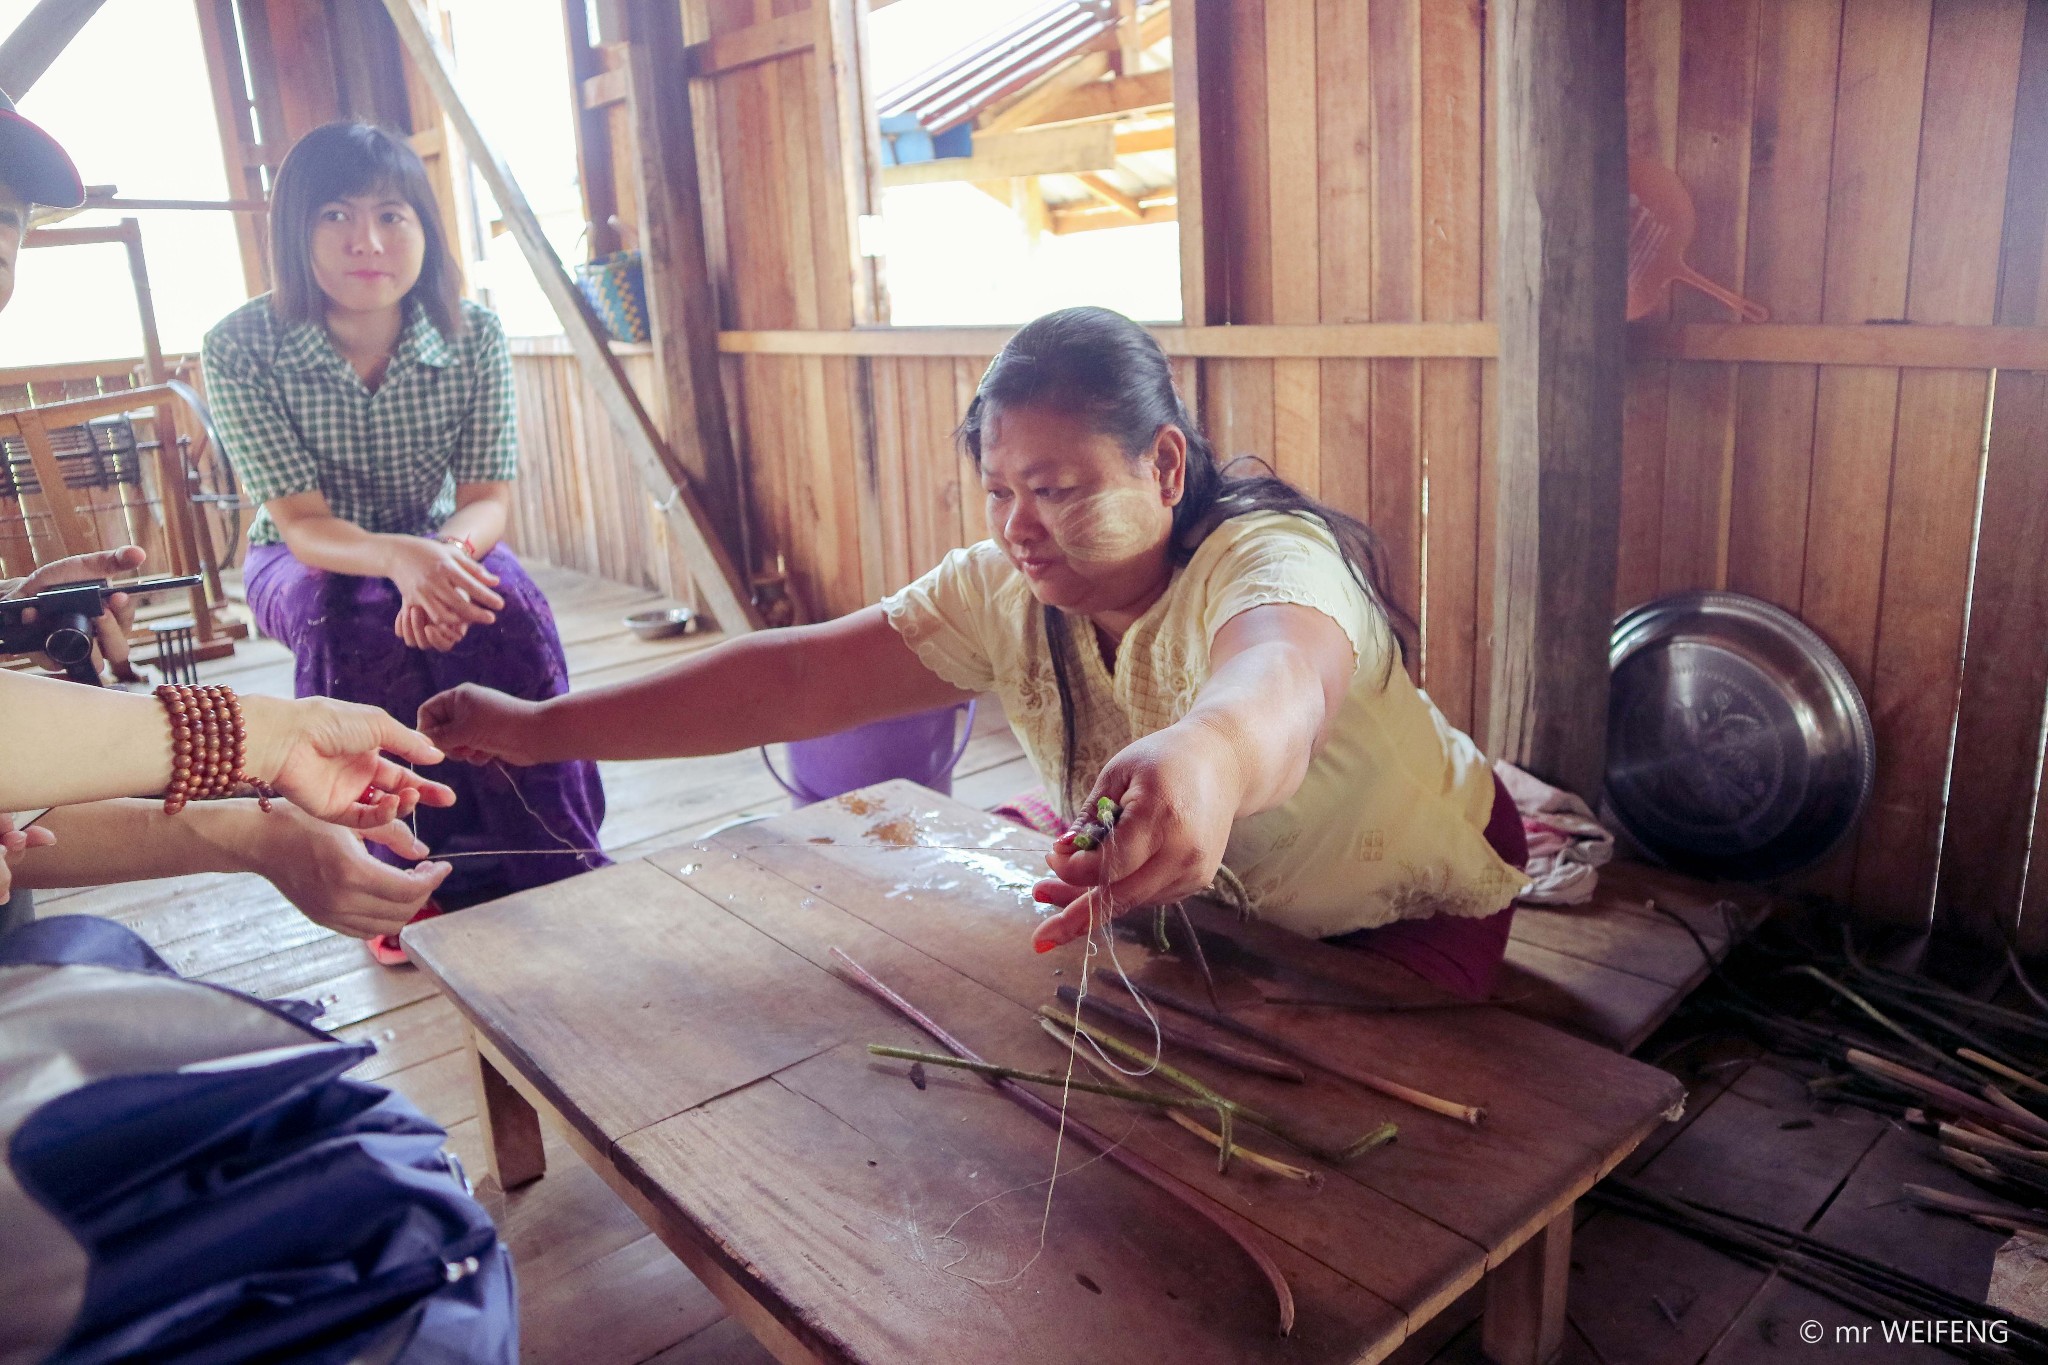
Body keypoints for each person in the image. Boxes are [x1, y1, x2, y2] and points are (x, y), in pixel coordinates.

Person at [419, 307, 1530, 999]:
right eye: (999, 491)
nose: (1018, 526)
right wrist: (535, 729)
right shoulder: (1006, 590)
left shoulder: (1268, 563)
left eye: (1057, 491)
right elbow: (797, 676)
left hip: (1391, 903)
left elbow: (1275, 684)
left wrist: (1210, 756)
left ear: (1164, 466)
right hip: (1213, 902)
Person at [202, 121, 605, 960]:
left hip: (439, 541)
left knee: (515, 613)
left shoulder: (474, 334)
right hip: (302, 556)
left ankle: (554, 846)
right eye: (337, 216)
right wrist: (400, 559)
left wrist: (443, 561)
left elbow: (489, 498)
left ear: (426, 228)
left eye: (393, 215)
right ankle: (390, 882)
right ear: (294, 231)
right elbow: (304, 522)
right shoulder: (241, 345)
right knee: (350, 616)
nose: (369, 241)